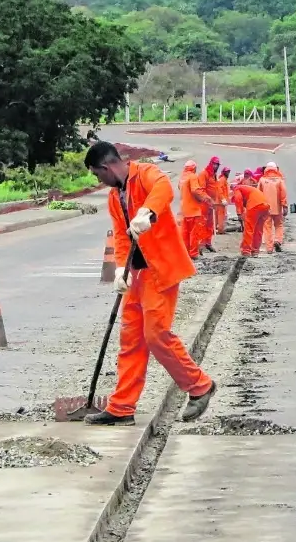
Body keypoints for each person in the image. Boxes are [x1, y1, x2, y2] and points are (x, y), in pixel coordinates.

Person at [81, 141, 216, 426]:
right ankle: (122, 407)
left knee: (156, 335)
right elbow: (121, 235)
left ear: (106, 167)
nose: (98, 180)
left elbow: (164, 189)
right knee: (131, 340)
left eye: (97, 174)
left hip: (160, 271)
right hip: (137, 276)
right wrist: (120, 270)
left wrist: (148, 213)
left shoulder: (146, 174)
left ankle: (200, 386)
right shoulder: (114, 197)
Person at [231, 176, 269, 257]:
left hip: (254, 205)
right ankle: (255, 251)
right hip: (265, 205)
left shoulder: (237, 189)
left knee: (249, 229)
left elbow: (238, 199)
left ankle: (246, 250)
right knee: (258, 229)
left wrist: (239, 213)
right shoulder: (248, 189)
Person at [178, 160, 208, 259]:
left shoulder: (182, 177)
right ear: (194, 168)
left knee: (185, 233)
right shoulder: (192, 176)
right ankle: (193, 253)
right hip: (193, 210)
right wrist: (204, 198)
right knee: (194, 233)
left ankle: (185, 253)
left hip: (184, 210)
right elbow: (195, 190)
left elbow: (180, 188)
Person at [258, 162, 288, 253]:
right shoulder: (279, 180)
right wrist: (285, 206)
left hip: (265, 209)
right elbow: (283, 194)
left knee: (267, 228)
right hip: (277, 208)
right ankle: (278, 240)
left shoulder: (262, 180)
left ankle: (269, 248)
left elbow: (258, 194)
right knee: (279, 225)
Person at [196, 156, 221, 253]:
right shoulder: (204, 173)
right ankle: (201, 244)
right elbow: (202, 189)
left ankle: (208, 242)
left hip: (211, 203)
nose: (215, 166)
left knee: (210, 224)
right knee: (202, 223)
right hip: (204, 203)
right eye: (214, 164)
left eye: (217, 165)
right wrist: (208, 199)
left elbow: (215, 188)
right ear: (211, 163)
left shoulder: (214, 175)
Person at [215, 167, 231, 234]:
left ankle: (217, 229)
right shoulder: (222, 180)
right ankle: (220, 230)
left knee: (218, 216)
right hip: (220, 202)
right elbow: (219, 190)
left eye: (228, 172)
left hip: (220, 202)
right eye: (227, 172)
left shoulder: (224, 180)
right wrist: (223, 199)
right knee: (221, 216)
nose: (228, 173)